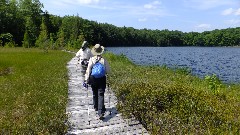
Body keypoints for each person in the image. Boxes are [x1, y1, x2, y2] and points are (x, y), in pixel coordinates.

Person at [84, 44, 110, 120]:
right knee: (101, 94)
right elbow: (108, 71)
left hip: (93, 79)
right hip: (102, 79)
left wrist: (86, 80)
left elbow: (88, 70)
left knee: (95, 93)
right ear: (101, 51)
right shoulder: (104, 60)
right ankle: (100, 112)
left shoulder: (91, 59)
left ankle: (96, 107)